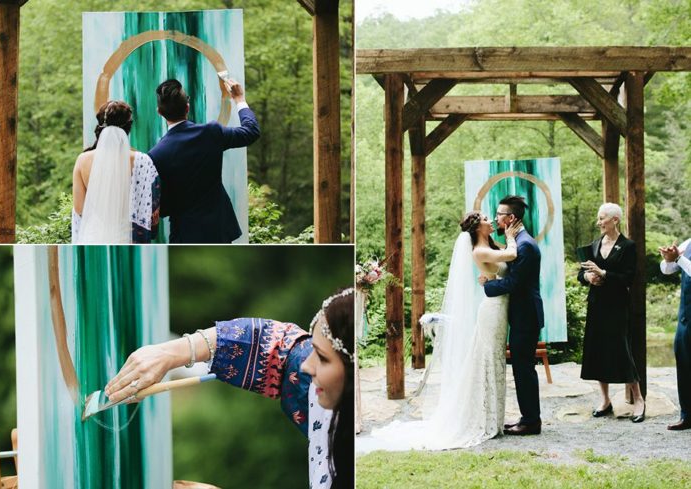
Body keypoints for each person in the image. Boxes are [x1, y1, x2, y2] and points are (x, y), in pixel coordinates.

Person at [104, 289, 354, 488]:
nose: (307, 367)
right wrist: (170, 352)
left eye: (321, 358)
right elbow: (276, 345)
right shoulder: (319, 385)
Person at [358, 212, 519, 451]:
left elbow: (501, 265)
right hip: (492, 311)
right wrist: (511, 235)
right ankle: (483, 418)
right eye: (486, 218)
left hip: (498, 308)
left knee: (492, 362)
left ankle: (491, 416)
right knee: (488, 361)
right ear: (477, 228)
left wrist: (490, 275)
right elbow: (512, 255)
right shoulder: (479, 250)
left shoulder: (488, 246)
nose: (490, 220)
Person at [148, 78, 260, 243]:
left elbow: (161, 207)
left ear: (159, 112)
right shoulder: (211, 133)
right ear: (188, 107)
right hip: (219, 229)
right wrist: (239, 99)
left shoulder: (155, 155)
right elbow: (251, 132)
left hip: (184, 234)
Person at [480, 195, 544, 435]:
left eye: (499, 214)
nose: (496, 218)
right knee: (521, 367)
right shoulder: (517, 241)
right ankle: (527, 417)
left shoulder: (525, 245)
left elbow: (515, 283)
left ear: (511, 218)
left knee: (524, 368)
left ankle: (531, 421)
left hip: (526, 316)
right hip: (520, 315)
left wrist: (488, 286)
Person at [578, 203, 645, 423]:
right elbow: (582, 274)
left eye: (602, 218)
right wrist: (589, 277)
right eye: (598, 218)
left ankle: (638, 400)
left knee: (622, 350)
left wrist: (604, 273)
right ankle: (605, 400)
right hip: (596, 305)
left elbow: (628, 277)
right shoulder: (595, 244)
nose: (599, 222)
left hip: (617, 306)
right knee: (597, 350)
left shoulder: (627, 246)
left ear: (615, 220)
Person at [72, 101, 160, 243]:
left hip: (93, 237)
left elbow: (79, 208)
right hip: (127, 239)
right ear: (128, 127)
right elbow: (152, 211)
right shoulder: (142, 161)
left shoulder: (82, 160)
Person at [659, 238, 691, 430]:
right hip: (686, 316)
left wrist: (678, 258)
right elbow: (666, 269)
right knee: (684, 364)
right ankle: (687, 415)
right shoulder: (688, 243)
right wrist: (668, 258)